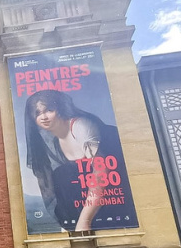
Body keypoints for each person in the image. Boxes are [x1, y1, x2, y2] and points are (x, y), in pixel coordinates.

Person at [24, 90, 134, 232]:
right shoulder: (57, 142)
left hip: (114, 190)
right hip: (87, 195)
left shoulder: (80, 126)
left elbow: (101, 174)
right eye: (37, 113)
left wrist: (84, 221)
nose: (43, 117)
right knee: (60, 175)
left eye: (49, 110)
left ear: (60, 109)